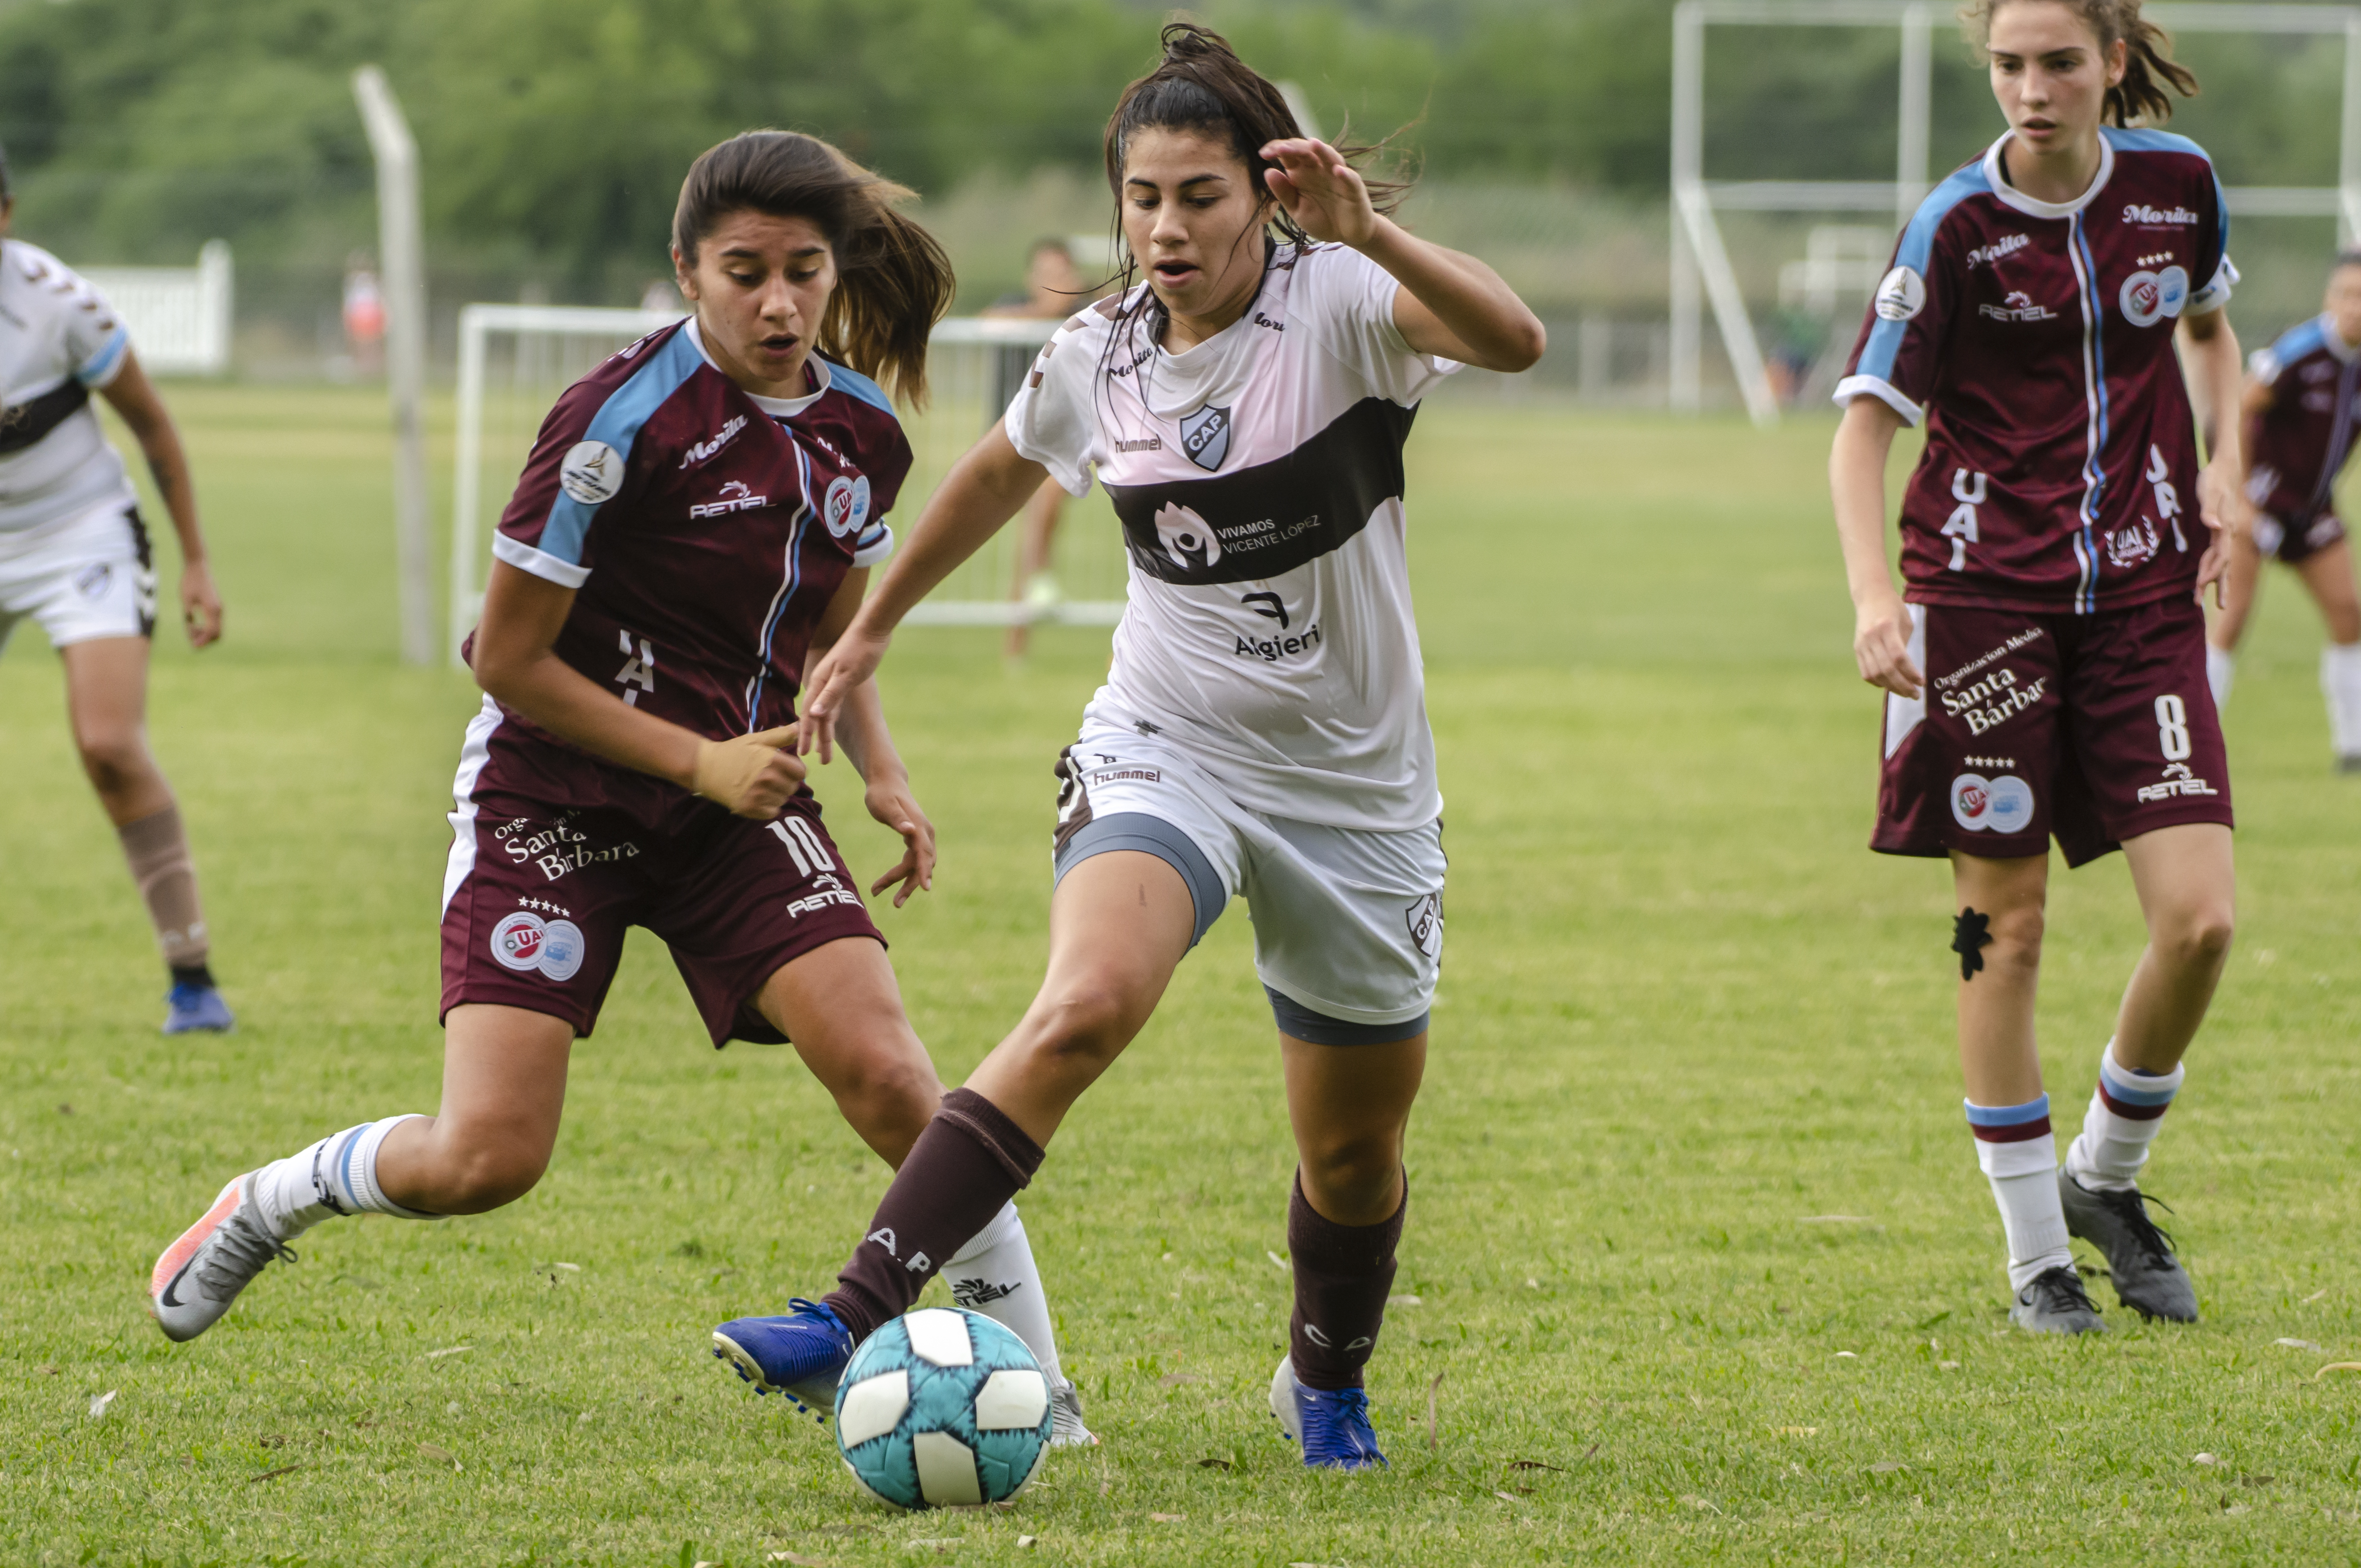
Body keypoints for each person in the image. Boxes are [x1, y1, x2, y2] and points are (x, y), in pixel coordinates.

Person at [146, 131, 1090, 1444]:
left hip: (735, 809)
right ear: (686, 271)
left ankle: (1042, 1398)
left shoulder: (863, 433)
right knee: (488, 1158)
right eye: (744, 271)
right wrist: (699, 755)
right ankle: (273, 1197)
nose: (776, 301)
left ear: (835, 273)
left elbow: (828, 629)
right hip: (553, 801)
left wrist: (882, 769)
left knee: (893, 1080)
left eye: (803, 272)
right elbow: (510, 659)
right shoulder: (614, 422)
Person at [709, 25, 1544, 1470]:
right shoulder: (1100, 354)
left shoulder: (1344, 303)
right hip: (1170, 745)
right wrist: (872, 629)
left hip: (1356, 794)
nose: (1166, 227)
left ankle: (1324, 1380)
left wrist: (1377, 241)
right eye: (1143, 198)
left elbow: (1513, 338)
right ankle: (857, 1307)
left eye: (1200, 196)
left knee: (1353, 1154)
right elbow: (991, 471)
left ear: (1265, 198)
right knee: (1087, 1000)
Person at [1829, 0, 2243, 1334]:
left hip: (2144, 598)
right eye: (2009, 65)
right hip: (1981, 607)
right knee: (1996, 931)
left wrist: (2223, 465)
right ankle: (2034, 1263)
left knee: (2201, 918)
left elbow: (2211, 334)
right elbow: (1860, 434)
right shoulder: (1954, 225)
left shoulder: (2179, 190)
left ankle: (2105, 1181)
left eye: (2059, 62)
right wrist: (1874, 599)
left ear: (2114, 62)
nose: (2031, 90)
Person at [0, 140, 233, 1033]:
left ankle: (193, 978)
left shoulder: (57, 305)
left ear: (8, 216)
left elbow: (152, 426)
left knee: (107, 746)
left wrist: (198, 561)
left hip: (80, 533)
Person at [2206, 253, 2361, 769]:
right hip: (2260, 502)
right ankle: (2196, 748)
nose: (2355, 307)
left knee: (2347, 614)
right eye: (2346, 294)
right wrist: (2242, 499)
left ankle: (2354, 749)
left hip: (2312, 509)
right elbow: (2237, 409)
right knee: (2229, 621)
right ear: (2328, 298)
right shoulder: (2299, 352)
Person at [984, 238, 1092, 657]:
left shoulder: (1087, 316)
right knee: (1033, 529)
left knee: (1044, 507)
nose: (1051, 284)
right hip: (1011, 439)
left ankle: (1034, 596)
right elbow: (989, 322)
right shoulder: (1014, 306)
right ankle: (1023, 623)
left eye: (1060, 275)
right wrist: (1042, 315)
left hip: (1072, 439)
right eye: (1044, 275)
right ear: (1031, 277)